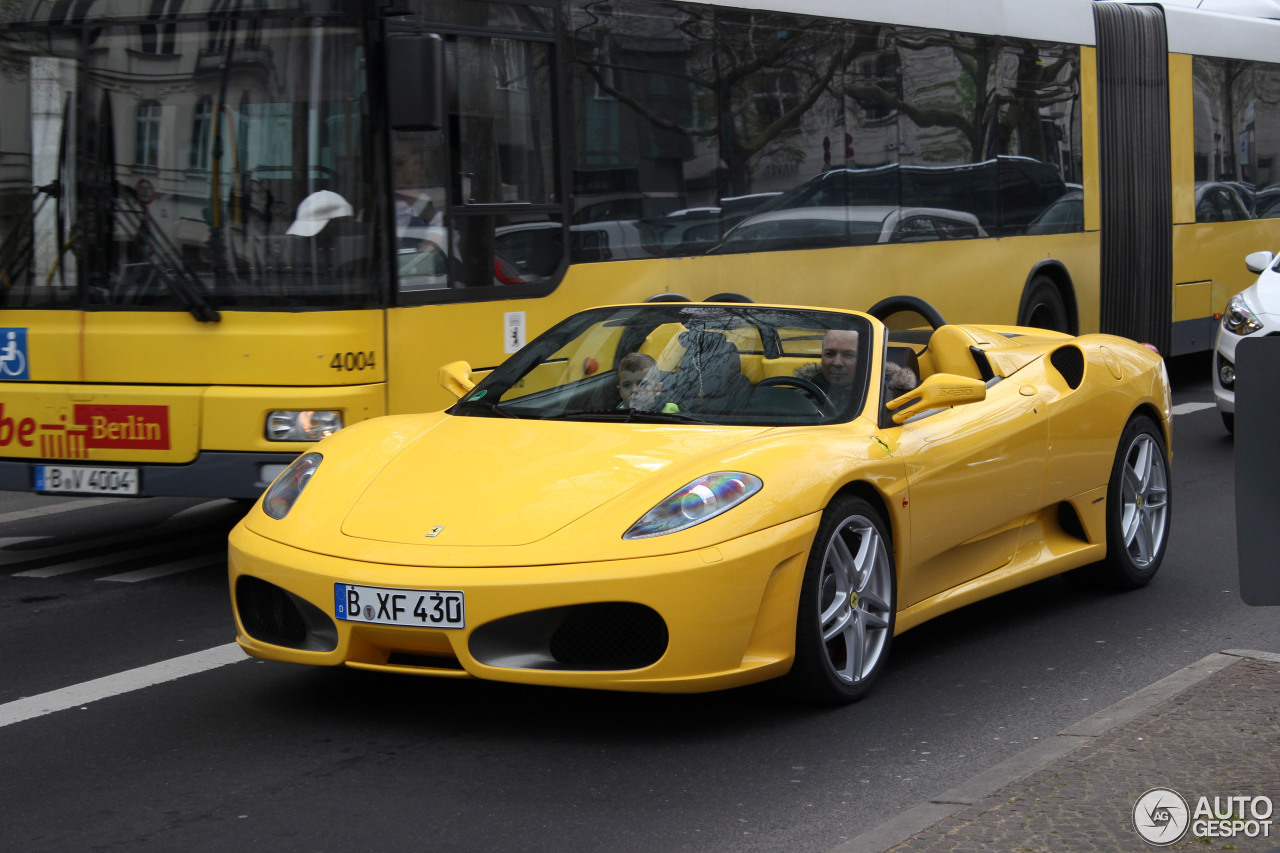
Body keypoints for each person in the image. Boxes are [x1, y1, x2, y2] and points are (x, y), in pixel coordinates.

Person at [794, 328, 917, 406]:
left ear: (865, 359)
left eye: (848, 355)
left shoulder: (893, 401)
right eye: (830, 354)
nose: (837, 363)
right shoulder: (802, 392)